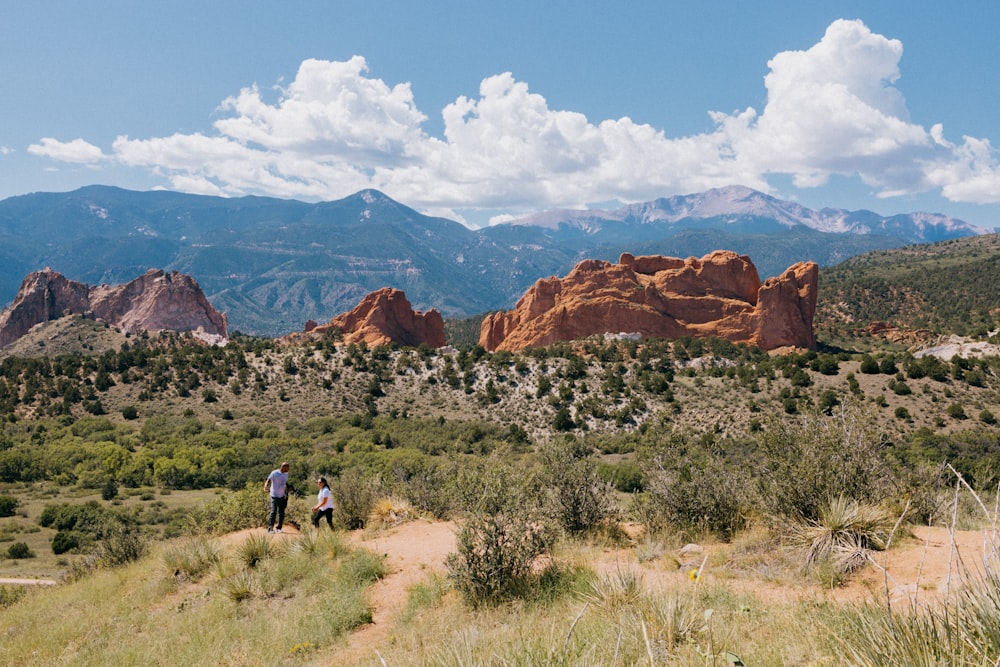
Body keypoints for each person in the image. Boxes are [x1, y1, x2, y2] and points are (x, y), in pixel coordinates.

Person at [264, 461, 292, 533]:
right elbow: (268, 480)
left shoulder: (286, 474)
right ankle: (270, 529)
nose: (288, 470)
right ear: (283, 467)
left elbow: (285, 482)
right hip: (274, 495)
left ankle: (279, 528)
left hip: (282, 496)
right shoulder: (274, 473)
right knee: (273, 512)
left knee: (281, 513)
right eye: (287, 468)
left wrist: (289, 487)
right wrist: (265, 487)